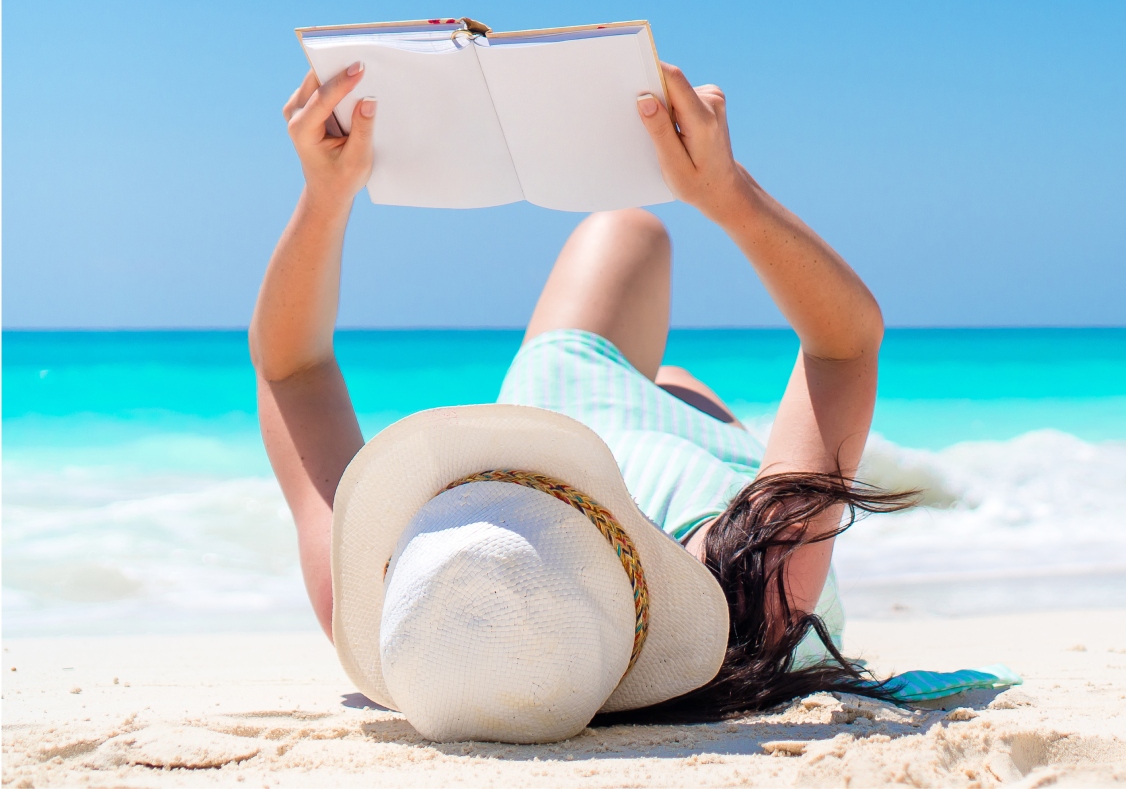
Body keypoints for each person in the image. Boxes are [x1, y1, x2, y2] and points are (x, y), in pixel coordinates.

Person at [250, 59, 914, 743]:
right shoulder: (752, 596)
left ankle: (662, 390)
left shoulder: (409, 611)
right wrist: (725, 191)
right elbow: (843, 344)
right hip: (674, 477)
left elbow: (290, 367)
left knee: (627, 229)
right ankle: (670, 395)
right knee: (676, 366)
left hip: (562, 404)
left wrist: (322, 197)